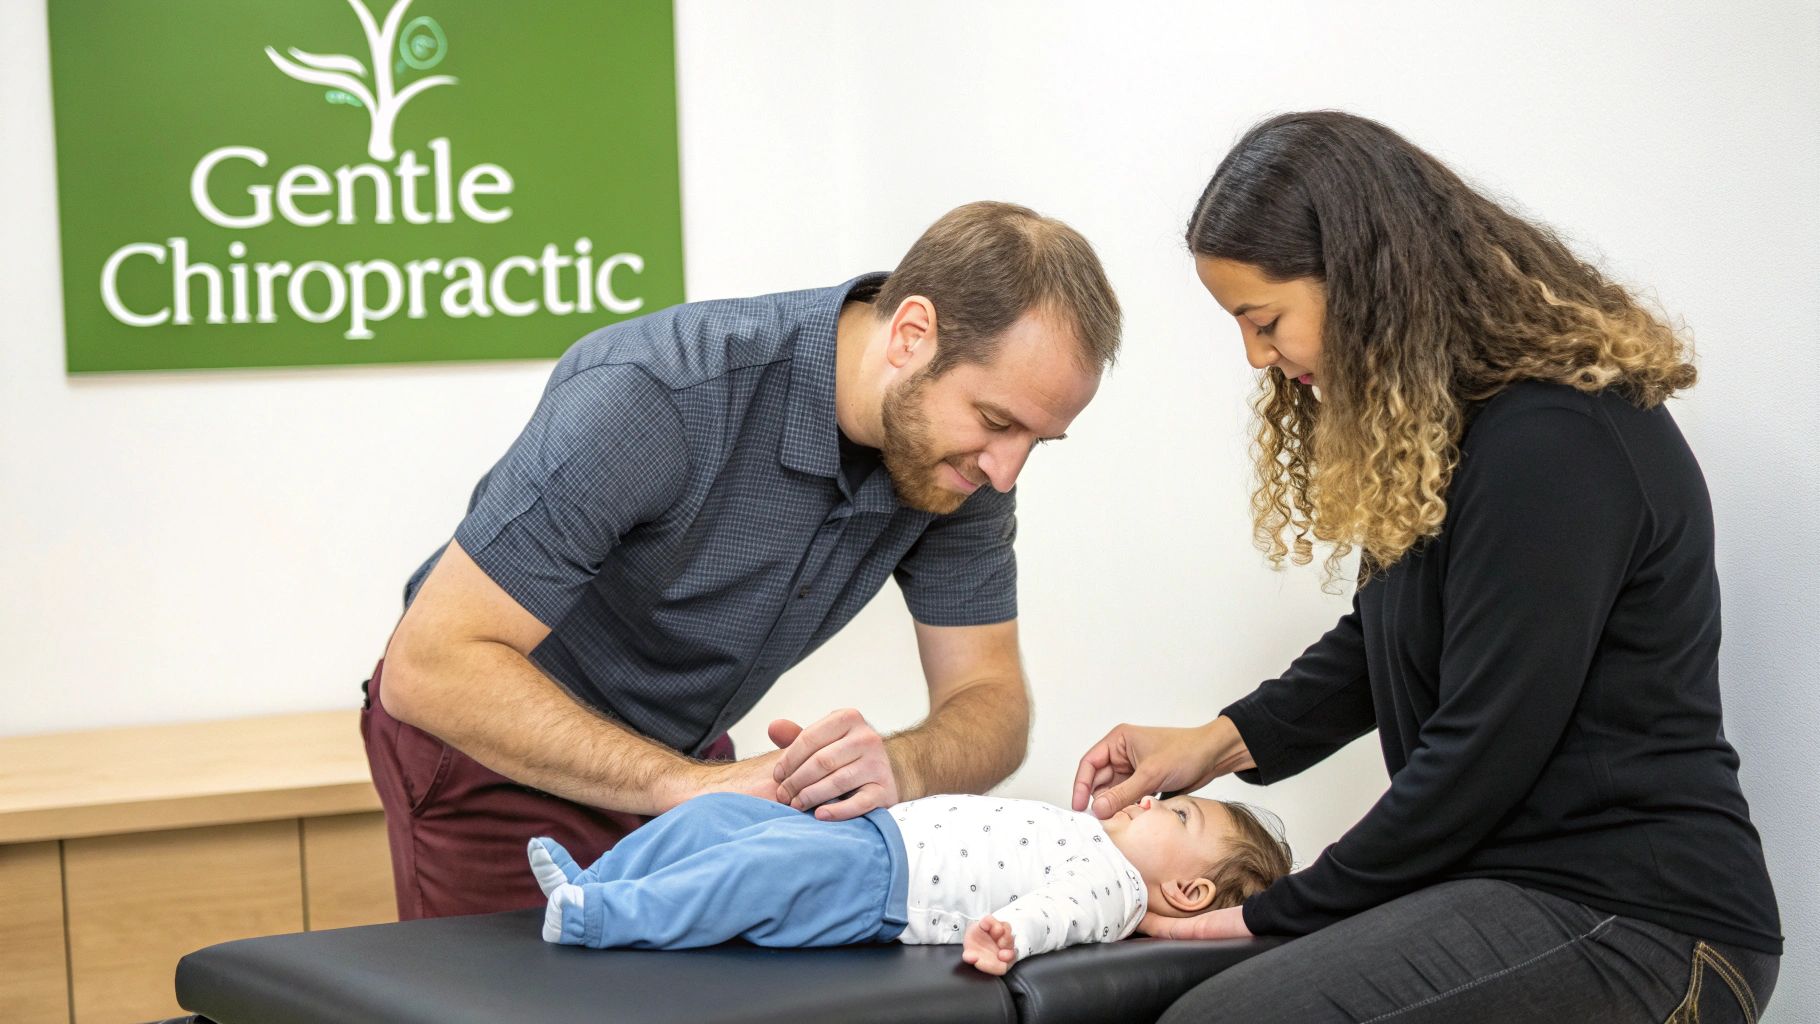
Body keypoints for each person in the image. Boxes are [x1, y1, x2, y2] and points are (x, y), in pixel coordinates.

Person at [1072, 112, 1782, 1023]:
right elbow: (1383, 637)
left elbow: (1481, 750)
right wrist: (1215, 741)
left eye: (1265, 320)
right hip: (1524, 889)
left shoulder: (1552, 442)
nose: (1258, 355)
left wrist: (1282, 910)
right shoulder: (1457, 431)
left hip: (1644, 922)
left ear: (1364, 282)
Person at [364, 200, 1122, 919]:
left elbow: (993, 700)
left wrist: (902, 767)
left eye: (1035, 441)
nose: (1007, 472)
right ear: (911, 334)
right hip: (493, 747)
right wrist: (682, 786)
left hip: (684, 762)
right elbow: (430, 666)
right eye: (995, 421)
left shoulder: (964, 469)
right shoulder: (657, 393)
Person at [524, 790, 1291, 975]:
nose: (1157, 801)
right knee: (717, 816)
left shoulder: (1115, 887)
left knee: (748, 873)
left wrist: (1012, 935)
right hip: (868, 834)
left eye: (1181, 816)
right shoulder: (1091, 833)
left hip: (881, 884)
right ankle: (594, 881)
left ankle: (602, 918)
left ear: (1186, 892)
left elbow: (1062, 913)